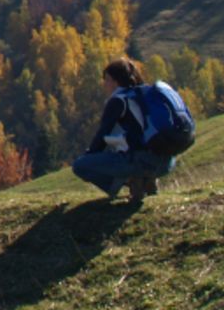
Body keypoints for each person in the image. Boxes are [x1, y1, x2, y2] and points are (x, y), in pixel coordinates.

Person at [71, 57, 175, 203]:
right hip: (167, 162)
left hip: (141, 160)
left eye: (107, 80)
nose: (104, 84)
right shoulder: (145, 94)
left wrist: (90, 155)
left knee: (80, 166)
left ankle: (133, 180)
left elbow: (102, 135)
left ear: (116, 81)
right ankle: (146, 180)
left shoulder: (118, 100)